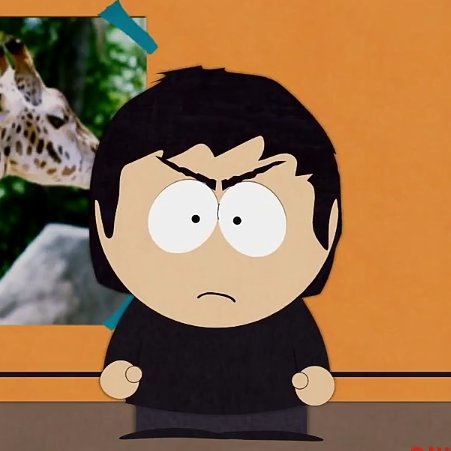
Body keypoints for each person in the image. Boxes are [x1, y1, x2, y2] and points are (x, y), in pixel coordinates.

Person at [89, 66, 342, 441]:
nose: (216, 254)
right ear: (103, 221)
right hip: (167, 423)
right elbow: (124, 358)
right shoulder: (149, 314)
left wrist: (313, 376)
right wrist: (121, 370)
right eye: (182, 217)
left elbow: (309, 359)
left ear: (329, 224)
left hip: (271, 423)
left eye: (253, 219)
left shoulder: (285, 316)